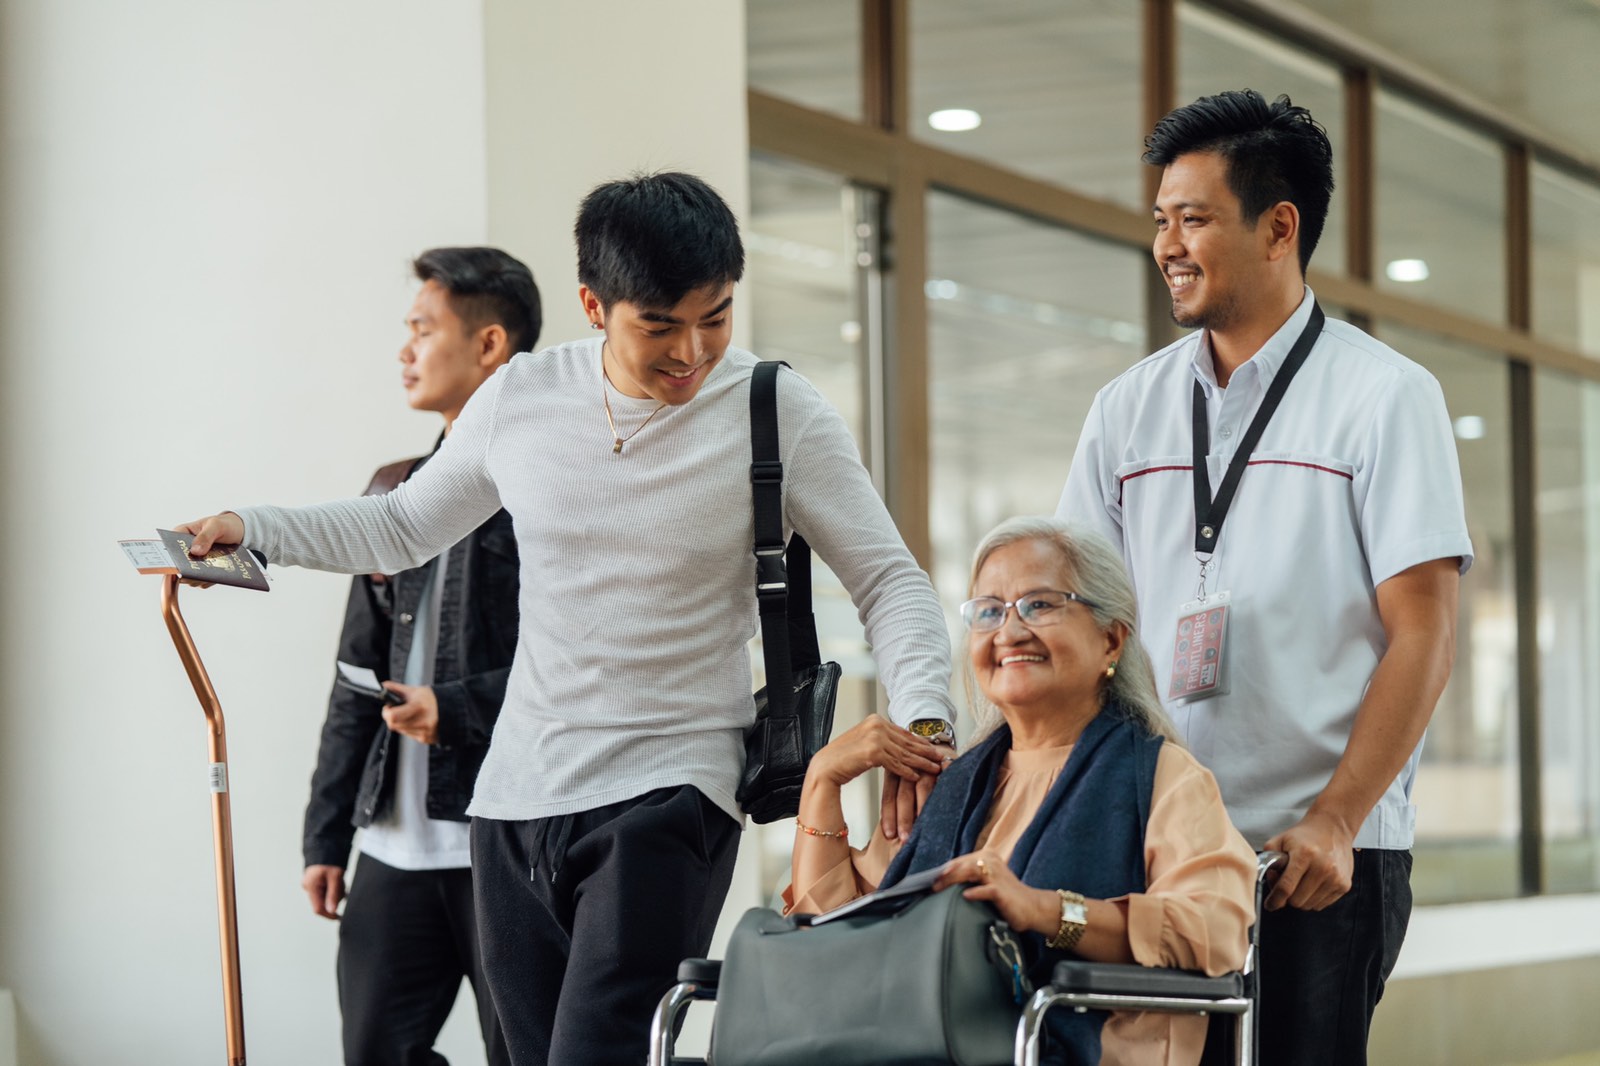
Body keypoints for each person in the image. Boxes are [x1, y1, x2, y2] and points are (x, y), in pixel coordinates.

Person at [174, 171, 957, 1066]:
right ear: (594, 304)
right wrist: (254, 532)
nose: (692, 351)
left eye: (717, 315)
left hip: (672, 789)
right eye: (659, 324)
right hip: (516, 799)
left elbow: (890, 580)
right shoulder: (522, 399)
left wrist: (924, 714)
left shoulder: (775, 410)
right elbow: (400, 525)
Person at [1057, 90, 1471, 1064]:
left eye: (1192, 218)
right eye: (1160, 219)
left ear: (1278, 226)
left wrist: (1337, 817)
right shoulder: (1127, 410)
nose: (1166, 243)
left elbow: (1424, 631)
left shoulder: (1383, 398)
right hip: (1157, 854)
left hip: (1313, 860)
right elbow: (1081, 619)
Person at [787, 517, 1255, 1065]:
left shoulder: (1163, 778)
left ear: (1111, 638)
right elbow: (834, 939)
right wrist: (822, 782)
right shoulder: (953, 785)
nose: (1008, 632)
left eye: (1039, 604)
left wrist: (1050, 912)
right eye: (989, 611)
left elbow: (1215, 931)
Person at [300, 247, 539, 1066]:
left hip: (501, 844)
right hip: (391, 849)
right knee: (373, 1053)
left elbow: (577, 664)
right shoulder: (391, 492)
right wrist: (326, 836)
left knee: (525, 1052)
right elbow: (351, 682)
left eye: (422, 328)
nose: (405, 349)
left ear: (489, 346)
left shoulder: (542, 494)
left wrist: (459, 709)